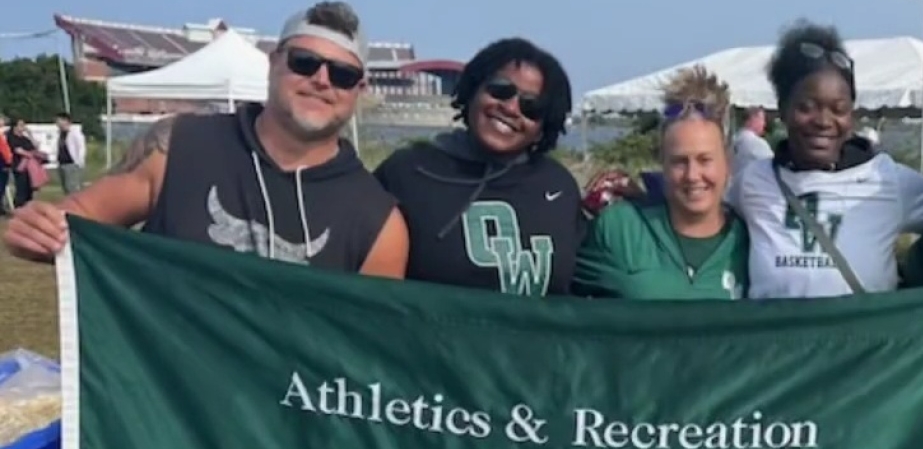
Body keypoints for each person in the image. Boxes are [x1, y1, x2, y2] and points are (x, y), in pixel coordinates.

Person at [2, 1, 409, 278]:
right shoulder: (180, 145)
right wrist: (37, 230)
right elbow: (77, 220)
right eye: (304, 62)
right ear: (273, 64)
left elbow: (362, 351)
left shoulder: (377, 221)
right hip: (161, 396)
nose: (321, 80)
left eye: (342, 74)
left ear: (359, 89)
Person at [728, 20, 923, 298]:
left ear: (852, 115)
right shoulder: (753, 182)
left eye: (839, 109)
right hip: (777, 341)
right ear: (783, 110)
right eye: (806, 107)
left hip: (863, 341)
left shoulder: (888, 180)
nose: (823, 121)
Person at [372, 37, 583, 296]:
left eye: (532, 106)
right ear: (473, 90)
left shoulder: (559, 187)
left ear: (543, 126)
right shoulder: (406, 172)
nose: (510, 108)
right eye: (500, 89)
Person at [574, 66, 749, 300]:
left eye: (705, 160)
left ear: (727, 162)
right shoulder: (620, 229)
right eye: (679, 162)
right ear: (662, 164)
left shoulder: (752, 240)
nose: (692, 175)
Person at [4, 119, 43, 208]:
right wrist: (29, 154)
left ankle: (28, 206)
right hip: (19, 165)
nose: (23, 127)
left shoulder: (25, 138)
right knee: (21, 188)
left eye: (24, 125)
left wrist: (30, 134)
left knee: (29, 188)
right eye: (21, 125)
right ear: (15, 127)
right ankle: (19, 206)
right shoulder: (11, 137)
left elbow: (36, 146)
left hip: (29, 167)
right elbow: (17, 150)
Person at [730, 107, 773, 175]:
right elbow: (772, 168)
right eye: (762, 119)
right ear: (753, 119)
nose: (764, 124)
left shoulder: (733, 140)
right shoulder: (758, 144)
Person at [54, 112, 87, 195]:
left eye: (59, 120)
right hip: (62, 163)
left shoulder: (74, 133)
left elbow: (81, 147)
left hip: (71, 164)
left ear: (66, 121)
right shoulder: (60, 134)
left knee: (72, 188)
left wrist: (79, 162)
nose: (57, 123)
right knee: (66, 188)